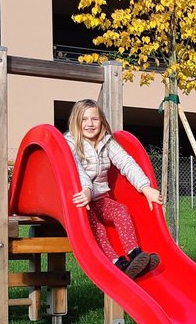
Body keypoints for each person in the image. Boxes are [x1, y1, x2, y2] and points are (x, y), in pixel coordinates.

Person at [66, 99, 163, 279]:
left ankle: (135, 254)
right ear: (76, 122)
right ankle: (117, 264)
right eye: (84, 119)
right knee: (96, 227)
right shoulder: (70, 144)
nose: (90, 124)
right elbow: (76, 169)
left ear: (101, 121)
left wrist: (145, 187)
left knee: (121, 210)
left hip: (100, 199)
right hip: (80, 202)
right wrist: (85, 189)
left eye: (94, 119)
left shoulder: (107, 142)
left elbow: (126, 163)